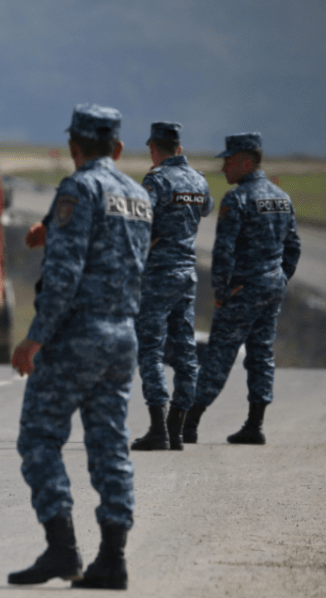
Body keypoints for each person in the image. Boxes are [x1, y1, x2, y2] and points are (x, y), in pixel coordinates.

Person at [8, 104, 151, 591]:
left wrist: (35, 338)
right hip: (122, 335)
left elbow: (65, 276)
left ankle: (62, 548)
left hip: (76, 336)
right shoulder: (137, 195)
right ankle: (113, 558)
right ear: (117, 148)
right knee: (110, 446)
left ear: (74, 146)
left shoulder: (78, 188)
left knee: (39, 438)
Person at [183, 133, 300, 445]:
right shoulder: (282, 198)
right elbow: (293, 248)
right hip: (271, 288)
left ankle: (190, 421)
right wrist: (279, 278)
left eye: (229, 161)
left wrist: (221, 292)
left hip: (243, 290)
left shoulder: (237, 200)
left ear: (247, 162)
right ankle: (255, 424)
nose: (224, 168)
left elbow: (223, 252)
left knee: (219, 353)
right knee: (261, 353)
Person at [131, 122, 214, 452]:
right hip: (187, 274)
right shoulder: (198, 180)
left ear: (154, 148)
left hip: (159, 274)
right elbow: (205, 208)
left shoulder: (156, 180)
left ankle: (157, 428)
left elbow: (140, 220)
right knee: (184, 350)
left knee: (150, 347)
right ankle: (176, 429)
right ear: (179, 148)